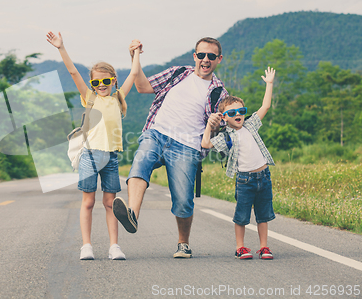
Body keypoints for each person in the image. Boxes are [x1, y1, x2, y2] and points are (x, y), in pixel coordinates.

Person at [113, 37, 228, 258]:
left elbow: (222, 129)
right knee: (140, 163)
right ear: (195, 56)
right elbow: (142, 86)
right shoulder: (178, 73)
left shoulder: (218, 93)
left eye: (211, 56)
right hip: (157, 133)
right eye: (201, 55)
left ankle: (183, 244)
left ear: (218, 59)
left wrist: (214, 126)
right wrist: (134, 56)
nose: (206, 60)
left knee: (184, 201)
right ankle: (132, 215)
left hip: (187, 146)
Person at [46, 31, 141, 260]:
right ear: (92, 84)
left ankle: (114, 246)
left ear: (113, 80)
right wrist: (61, 47)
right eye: (96, 82)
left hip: (111, 157)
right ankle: (86, 246)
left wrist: (136, 53)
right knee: (88, 202)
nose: (101, 85)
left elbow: (135, 73)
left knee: (110, 203)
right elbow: (72, 72)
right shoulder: (89, 97)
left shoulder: (118, 98)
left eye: (106, 81)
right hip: (89, 154)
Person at [201, 67, 276, 260]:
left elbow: (265, 106)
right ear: (224, 118)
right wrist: (210, 126)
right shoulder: (226, 135)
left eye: (241, 111)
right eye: (232, 112)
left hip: (264, 176)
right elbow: (205, 143)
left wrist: (269, 84)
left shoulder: (250, 124)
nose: (238, 114)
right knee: (241, 215)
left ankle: (264, 247)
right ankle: (240, 247)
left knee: (264, 214)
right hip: (245, 180)